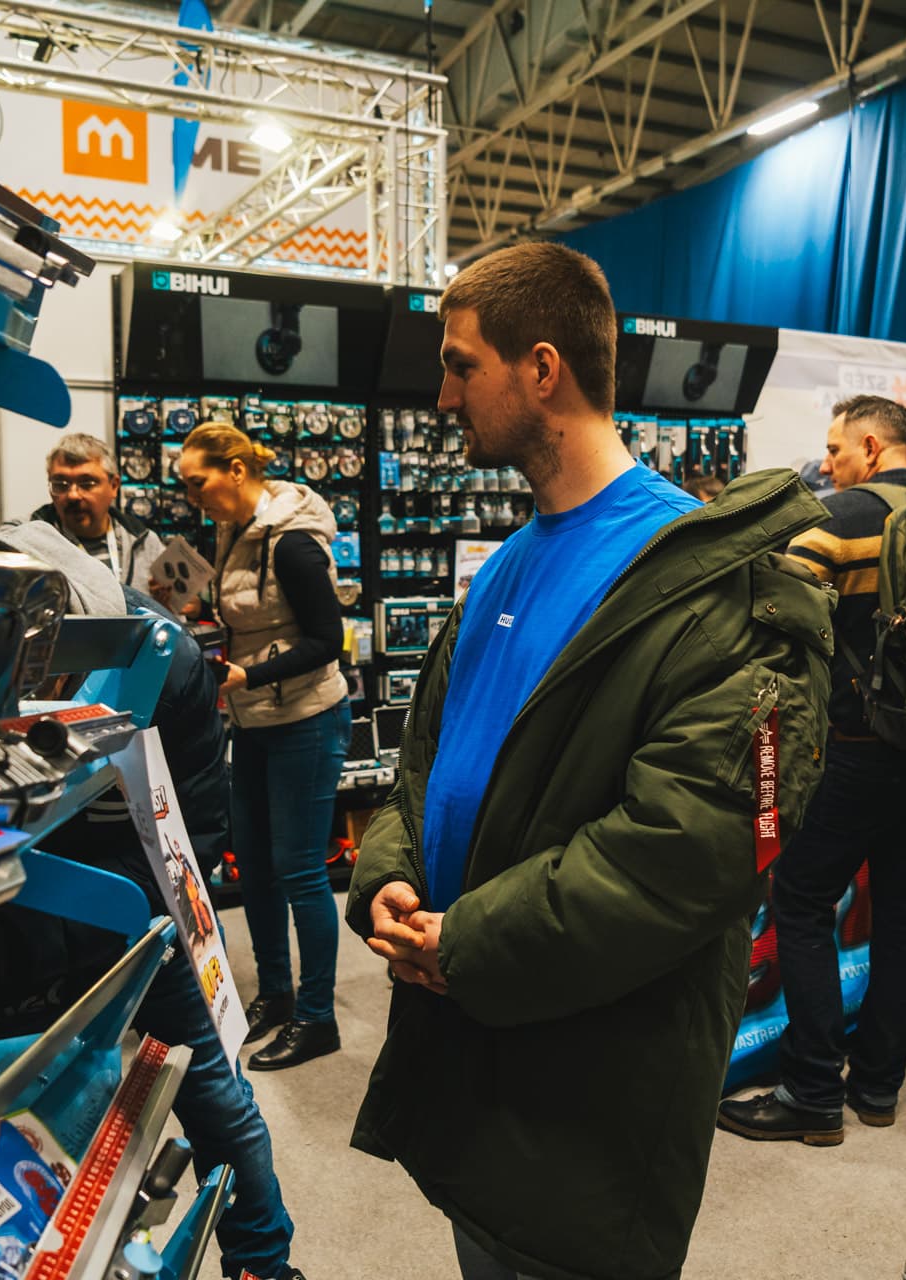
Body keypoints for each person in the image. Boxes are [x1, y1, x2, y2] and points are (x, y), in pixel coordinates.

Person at [343, 241, 833, 1280]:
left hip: (592, 1098)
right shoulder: (505, 567)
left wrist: (471, 939)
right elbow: (426, 760)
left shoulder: (714, 589)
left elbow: (691, 851)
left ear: (543, 369)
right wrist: (389, 868)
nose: (442, 396)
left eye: (461, 365)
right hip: (478, 1055)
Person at [0, 523, 302, 1280]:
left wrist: (14, 948)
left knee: (216, 1097)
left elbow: (184, 850)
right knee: (28, 1109)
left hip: (145, 902)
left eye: (50, 682)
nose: (28, 703)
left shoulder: (168, 667)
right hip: (12, 901)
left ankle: (264, 1264)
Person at [716, 394, 906, 1146]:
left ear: (870, 446)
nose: (827, 463)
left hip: (852, 748)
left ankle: (811, 1093)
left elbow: (769, 627)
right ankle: (877, 1086)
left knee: (801, 901)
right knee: (902, 907)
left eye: (835, 449)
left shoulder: (833, 520)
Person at [176, 424, 350, 1071]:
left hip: (306, 717)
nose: (191, 496)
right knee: (252, 862)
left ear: (237, 470)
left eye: (198, 482)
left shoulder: (293, 542)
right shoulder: (231, 532)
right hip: (252, 719)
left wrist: (249, 674)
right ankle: (276, 995)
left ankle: (318, 1017)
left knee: (300, 869)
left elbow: (327, 641)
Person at [15, 433, 165, 589]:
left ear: (114, 486)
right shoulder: (22, 538)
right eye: (60, 484)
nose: (73, 495)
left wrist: (167, 600)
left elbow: (173, 602)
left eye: (87, 484)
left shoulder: (146, 544)